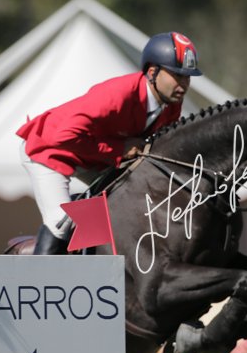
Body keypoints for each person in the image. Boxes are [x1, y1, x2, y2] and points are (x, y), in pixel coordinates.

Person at [17, 31, 203, 254]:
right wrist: (119, 149)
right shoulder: (118, 93)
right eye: (177, 75)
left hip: (92, 158)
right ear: (152, 72)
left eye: (187, 77)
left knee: (126, 204)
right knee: (61, 222)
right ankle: (40, 270)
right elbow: (64, 137)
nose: (184, 84)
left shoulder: (171, 105)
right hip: (49, 150)